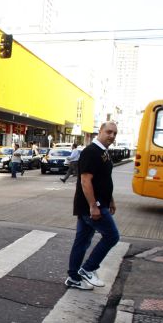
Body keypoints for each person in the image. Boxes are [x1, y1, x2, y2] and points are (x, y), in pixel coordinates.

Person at [65, 121, 119, 290]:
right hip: (91, 205)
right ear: (100, 132)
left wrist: (110, 199)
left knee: (82, 241)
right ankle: (88, 269)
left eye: (114, 133)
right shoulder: (91, 152)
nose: (111, 136)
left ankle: (73, 278)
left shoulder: (103, 152)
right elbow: (85, 180)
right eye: (109, 132)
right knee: (112, 236)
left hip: (97, 203)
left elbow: (104, 180)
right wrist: (93, 206)